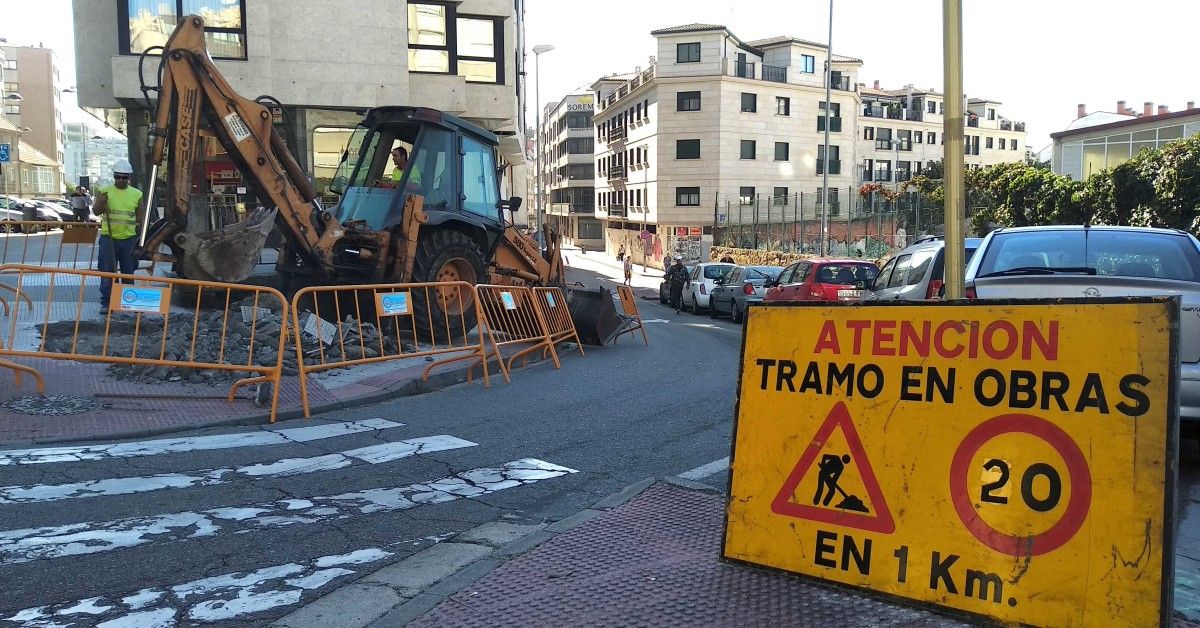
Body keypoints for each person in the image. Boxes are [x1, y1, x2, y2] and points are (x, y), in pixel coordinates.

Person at [93, 160, 144, 315]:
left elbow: (140, 218)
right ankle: (107, 303)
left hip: (129, 239)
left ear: (129, 177)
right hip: (109, 238)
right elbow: (95, 212)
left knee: (128, 273)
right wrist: (101, 203)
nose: (121, 180)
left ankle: (128, 302)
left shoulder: (137, 194)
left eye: (124, 177)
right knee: (108, 272)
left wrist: (140, 239)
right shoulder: (105, 191)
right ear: (114, 176)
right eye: (118, 177)